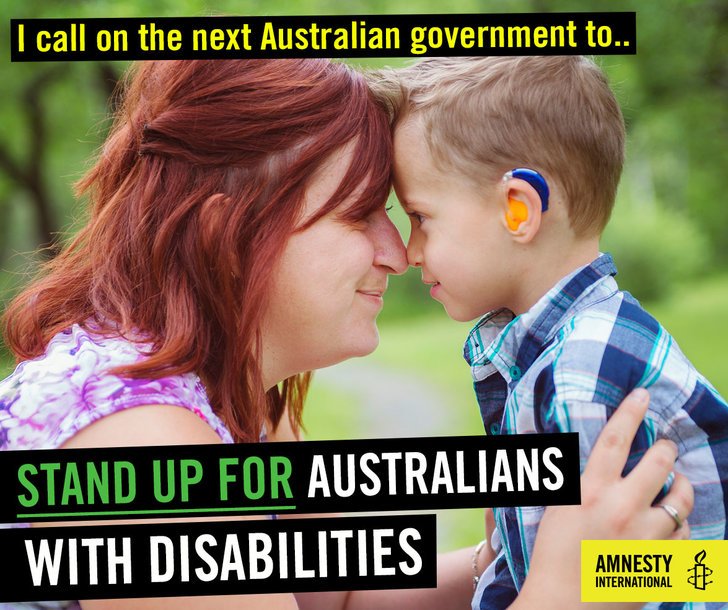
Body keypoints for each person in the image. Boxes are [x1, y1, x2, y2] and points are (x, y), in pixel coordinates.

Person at [0, 59, 692, 610]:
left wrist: (514, 560)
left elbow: (340, 598)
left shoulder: (240, 398)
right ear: (228, 235)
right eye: (360, 213)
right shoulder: (136, 444)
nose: (398, 252)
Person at [370, 56, 728, 610]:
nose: (410, 251)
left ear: (519, 210)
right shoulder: (570, 347)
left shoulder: (581, 372)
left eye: (420, 217)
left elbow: (617, 585)